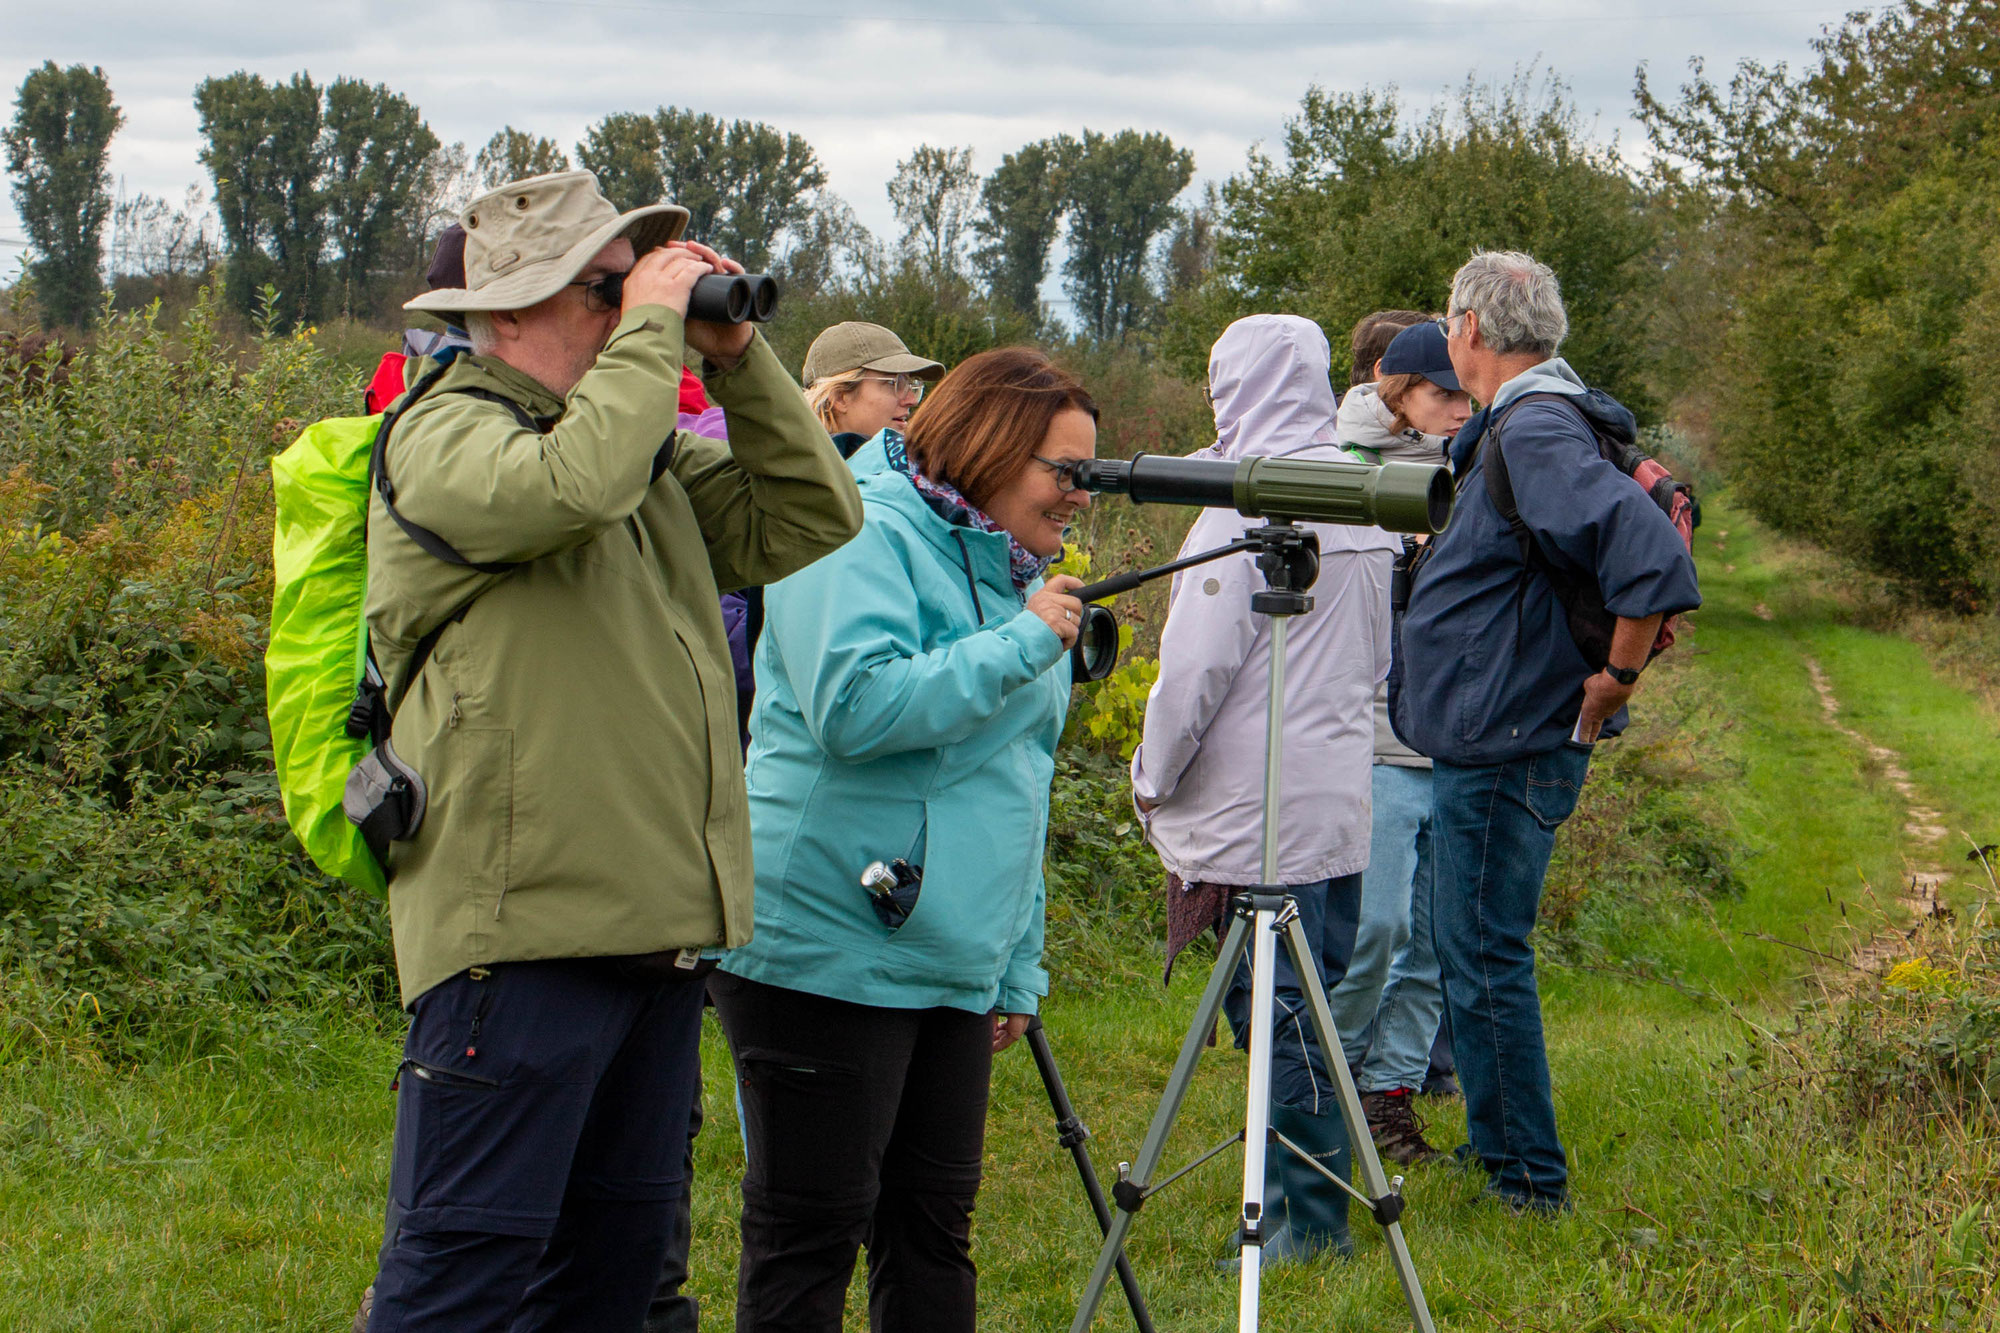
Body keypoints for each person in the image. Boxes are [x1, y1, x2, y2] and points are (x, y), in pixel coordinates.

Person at [359, 169, 863, 1331]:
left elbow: (811, 513)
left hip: (650, 934)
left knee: (616, 1287)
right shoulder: (443, 431)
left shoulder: (637, 452)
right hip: (518, 942)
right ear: (509, 309)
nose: (637, 307)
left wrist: (738, 359)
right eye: (604, 288)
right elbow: (569, 489)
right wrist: (650, 332)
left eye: (635, 287)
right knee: (460, 1287)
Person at [711, 346, 1093, 1333]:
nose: (1079, 495)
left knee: (931, 1231)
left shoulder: (1012, 570)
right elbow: (855, 706)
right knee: (811, 1233)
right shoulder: (856, 527)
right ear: (989, 447)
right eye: (1065, 469)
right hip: (825, 943)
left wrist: (1015, 962)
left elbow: (1017, 779)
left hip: (951, 959)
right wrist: (1023, 641)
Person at [1396, 250, 1700, 1211]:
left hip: (1510, 735)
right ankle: (1505, 1155)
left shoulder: (1533, 428)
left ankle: (1527, 1181)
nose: (1448, 336)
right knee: (1476, 947)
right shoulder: (1533, 420)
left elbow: (1648, 557)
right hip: (1503, 725)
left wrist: (1615, 679)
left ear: (1470, 330)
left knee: (1485, 952)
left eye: (1448, 322)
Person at [1130, 314, 1399, 1263]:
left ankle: (1307, 1220)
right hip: (1334, 800)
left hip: (1252, 811)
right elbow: (1379, 663)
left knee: (1279, 1013)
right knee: (1313, 1001)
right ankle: (1301, 1197)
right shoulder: (1364, 500)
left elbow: (1191, 679)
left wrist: (1151, 778)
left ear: (1230, 385)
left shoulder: (1241, 505)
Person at [1324, 318, 1470, 1167]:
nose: (1458, 408)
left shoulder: (1475, 469)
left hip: (1452, 740)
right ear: (1399, 391)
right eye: (1441, 393)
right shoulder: (1345, 471)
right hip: (1374, 740)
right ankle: (1325, 1084)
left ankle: (1390, 1096)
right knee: (1374, 929)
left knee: (1435, 942)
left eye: (1465, 392)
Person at [801, 321, 944, 456]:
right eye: (892, 383)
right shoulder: (809, 471)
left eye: (911, 384)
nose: (912, 400)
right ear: (840, 398)